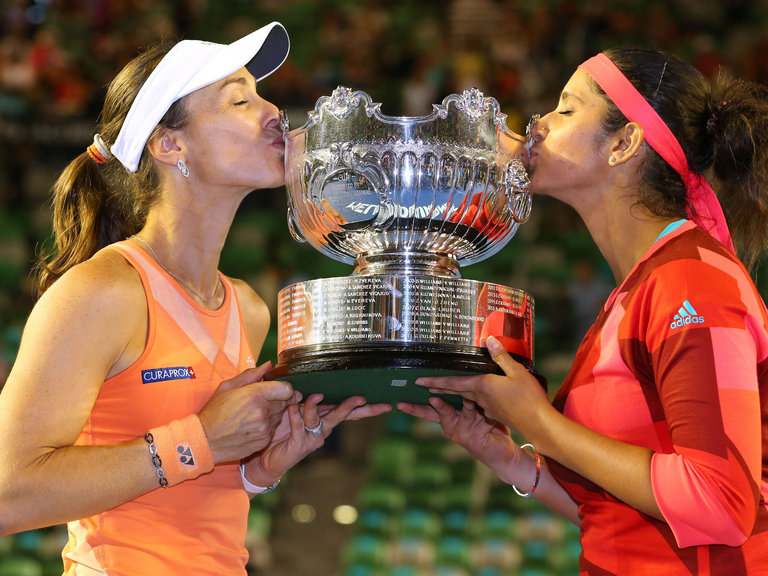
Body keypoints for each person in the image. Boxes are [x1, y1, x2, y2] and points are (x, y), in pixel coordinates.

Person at [0, 21, 390, 575]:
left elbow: (181, 495)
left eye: (259, 93)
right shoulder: (102, 292)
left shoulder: (249, 308)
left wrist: (257, 467)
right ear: (170, 144)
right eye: (238, 100)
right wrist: (201, 438)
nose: (274, 111)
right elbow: (9, 494)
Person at [399, 47, 768, 574]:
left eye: (567, 109)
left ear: (624, 142)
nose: (539, 124)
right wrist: (512, 459)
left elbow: (719, 506)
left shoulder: (692, 281)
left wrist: (539, 423)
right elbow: (621, 515)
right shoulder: (644, 283)